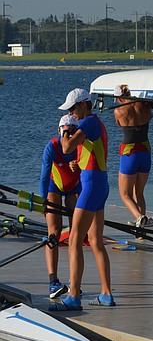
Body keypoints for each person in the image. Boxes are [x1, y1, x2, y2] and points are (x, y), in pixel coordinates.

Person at [50, 88, 115, 310]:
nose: (71, 112)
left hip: (92, 187)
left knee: (74, 240)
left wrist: (65, 131)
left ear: (85, 104)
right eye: (68, 110)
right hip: (99, 184)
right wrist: (77, 163)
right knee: (96, 241)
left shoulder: (88, 122)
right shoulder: (94, 125)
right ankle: (106, 294)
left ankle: (74, 297)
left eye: (73, 108)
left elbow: (66, 146)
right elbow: (88, 154)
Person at [38, 114, 81, 299]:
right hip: (54, 187)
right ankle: (53, 282)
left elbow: (92, 169)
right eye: (64, 131)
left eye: (71, 131)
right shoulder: (52, 146)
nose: (67, 135)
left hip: (74, 188)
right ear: (59, 130)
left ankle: (74, 282)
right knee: (54, 233)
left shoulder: (81, 145)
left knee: (75, 234)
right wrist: (43, 203)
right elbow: (44, 176)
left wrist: (78, 166)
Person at [113, 84, 153, 227]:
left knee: (125, 194)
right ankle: (142, 223)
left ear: (118, 97)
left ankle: (139, 217)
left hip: (129, 152)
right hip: (145, 150)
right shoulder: (144, 106)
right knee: (139, 192)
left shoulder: (119, 111)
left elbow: (119, 124)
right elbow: (150, 115)